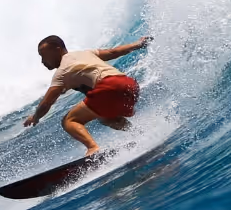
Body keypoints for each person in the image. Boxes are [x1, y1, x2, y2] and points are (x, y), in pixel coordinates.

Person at [23, 34, 152, 156]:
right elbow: (113, 52)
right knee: (107, 118)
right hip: (129, 85)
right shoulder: (85, 53)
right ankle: (141, 134)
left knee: (69, 120)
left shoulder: (62, 72)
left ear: (57, 50)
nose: (42, 61)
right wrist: (138, 44)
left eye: (44, 56)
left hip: (109, 87)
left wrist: (35, 117)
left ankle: (92, 148)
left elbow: (46, 103)